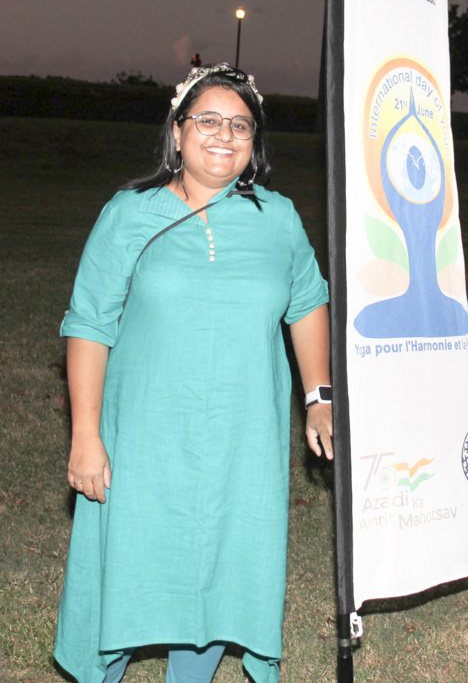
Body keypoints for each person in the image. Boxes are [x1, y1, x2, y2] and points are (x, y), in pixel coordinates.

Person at [54, 63, 332, 683]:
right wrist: (85, 434)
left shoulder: (277, 217)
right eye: (207, 120)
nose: (224, 135)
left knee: (220, 566)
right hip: (144, 434)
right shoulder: (129, 213)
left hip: (242, 438)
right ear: (177, 132)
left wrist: (319, 395)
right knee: (127, 561)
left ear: (254, 142)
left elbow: (307, 302)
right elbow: (89, 324)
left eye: (241, 125)